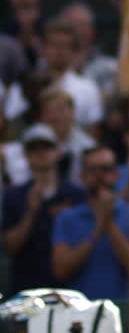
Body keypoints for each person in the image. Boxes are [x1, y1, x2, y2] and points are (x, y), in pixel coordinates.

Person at [2, 123, 86, 295]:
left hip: (69, 290)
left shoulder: (76, 194)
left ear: (58, 151)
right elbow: (10, 248)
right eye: (34, 148)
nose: (41, 152)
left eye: (47, 146)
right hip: (26, 289)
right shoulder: (13, 196)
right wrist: (31, 212)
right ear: (26, 155)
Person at [50, 143, 129, 304]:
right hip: (81, 312)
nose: (99, 175)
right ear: (82, 176)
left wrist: (108, 224)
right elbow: (61, 270)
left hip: (126, 310)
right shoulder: (67, 218)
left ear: (116, 175)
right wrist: (97, 230)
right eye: (92, 169)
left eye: (106, 169)